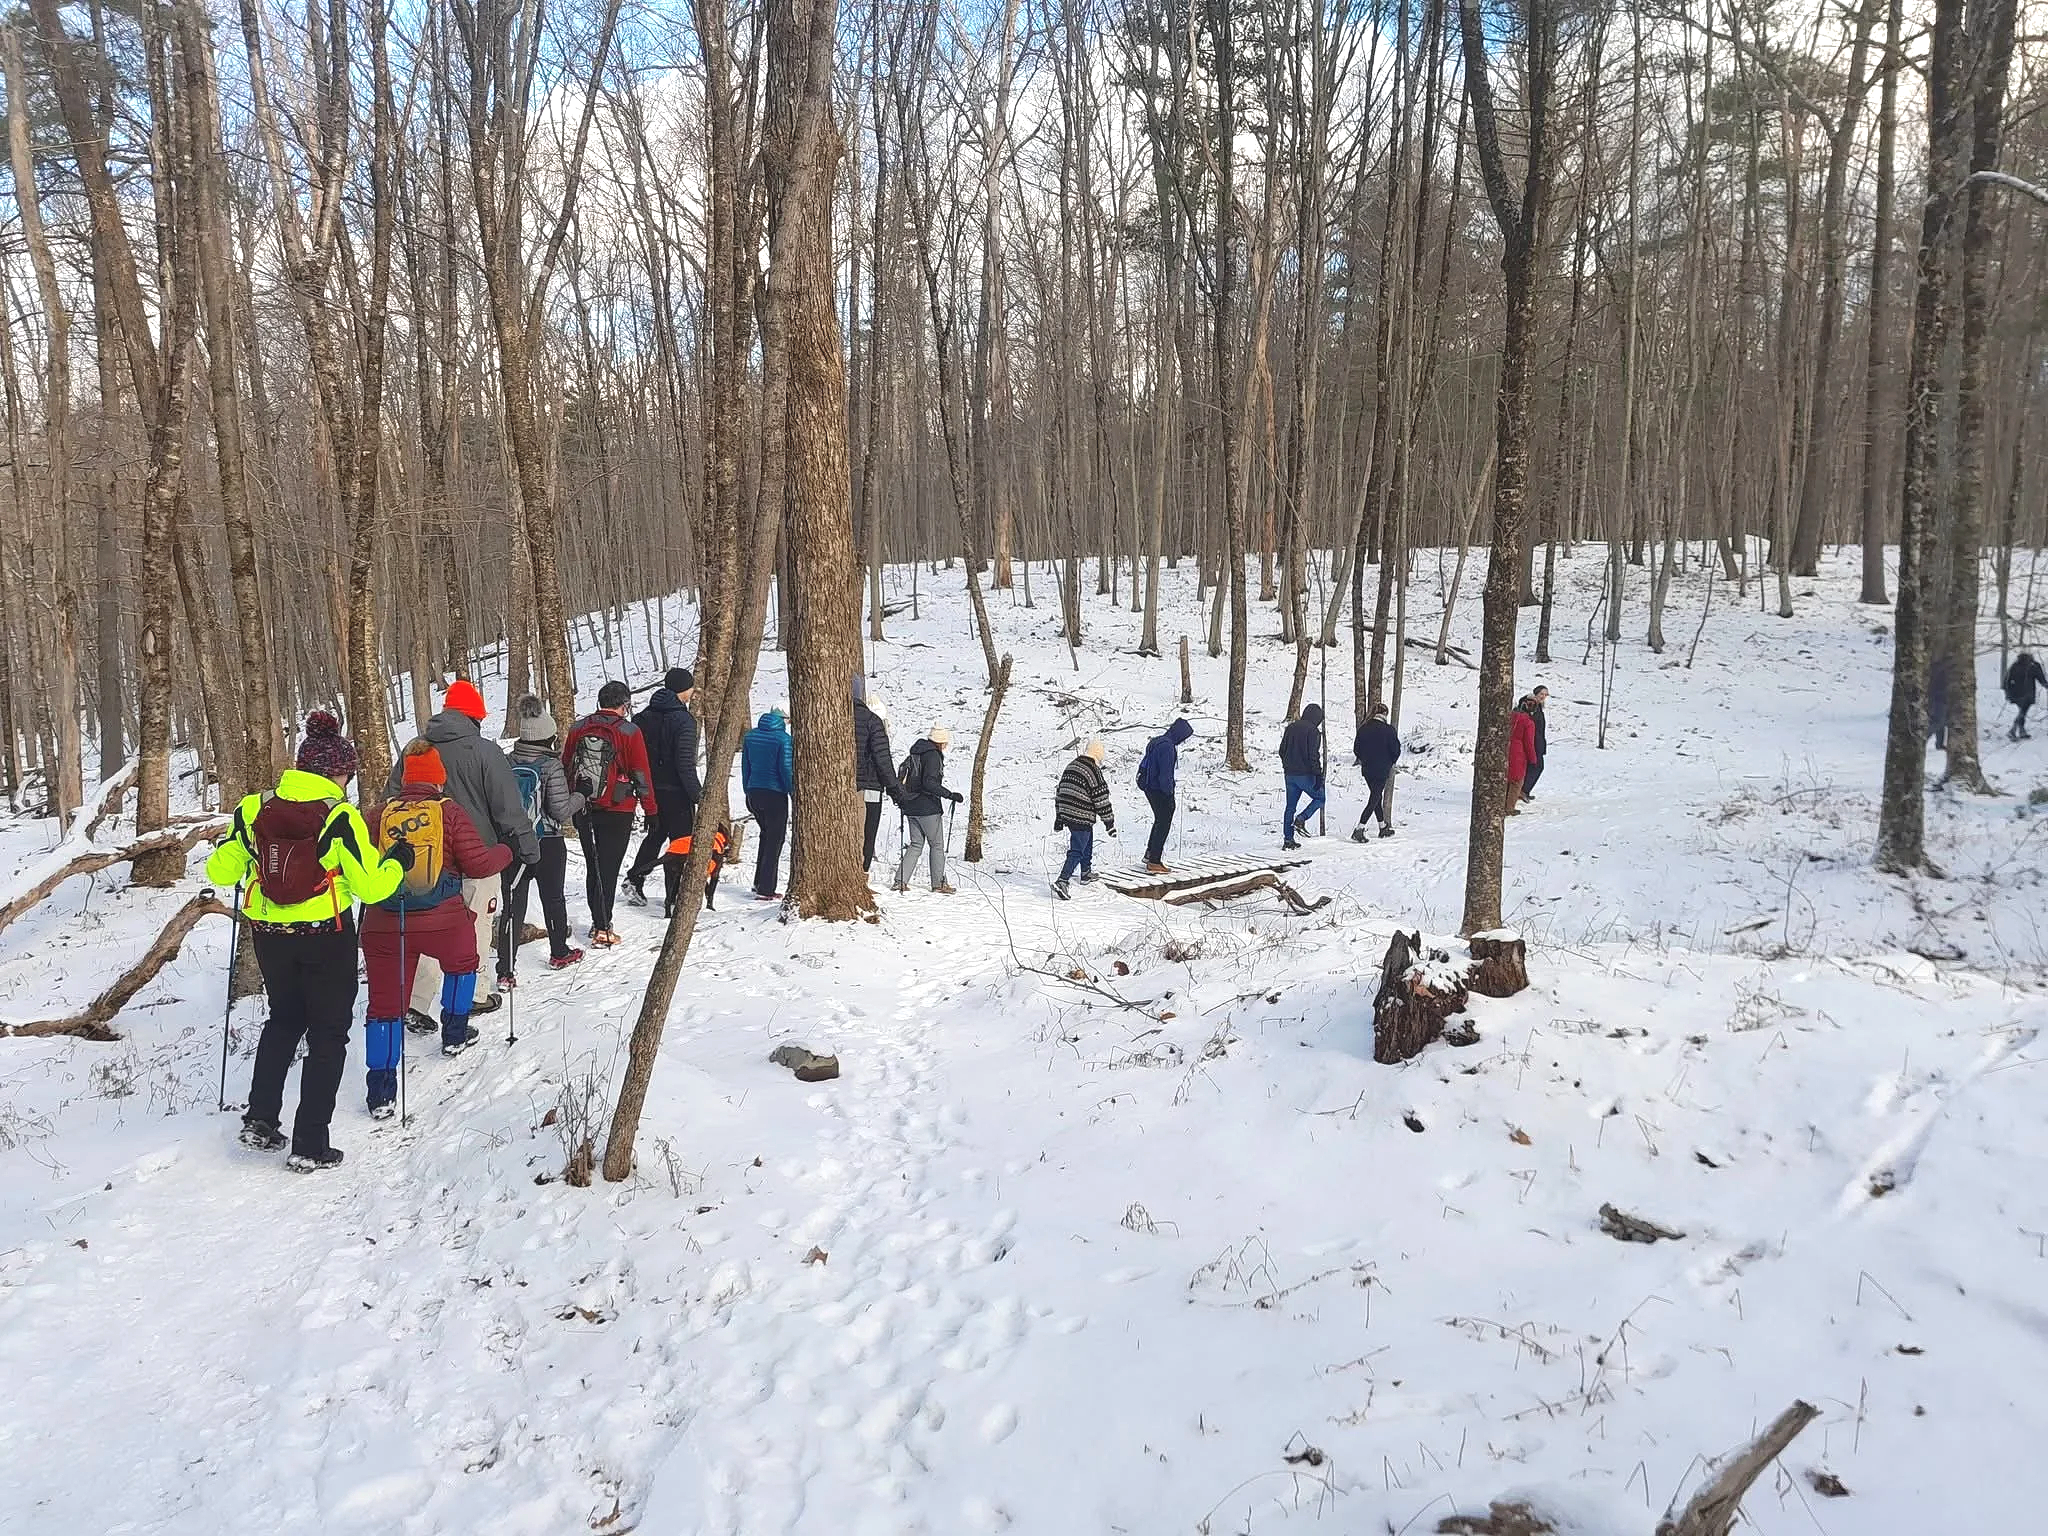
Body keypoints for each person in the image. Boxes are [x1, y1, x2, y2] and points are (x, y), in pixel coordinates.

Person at [207, 712, 406, 1172]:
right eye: (347, 773)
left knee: (283, 1020)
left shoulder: (252, 809)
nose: (348, 780)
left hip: (268, 936)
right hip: (326, 935)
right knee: (329, 1034)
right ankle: (310, 1143)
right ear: (337, 772)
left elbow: (220, 872)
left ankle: (259, 1119)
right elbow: (372, 888)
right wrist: (396, 861)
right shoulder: (340, 816)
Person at [360, 742, 515, 1117]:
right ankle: (455, 1033)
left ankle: (380, 1089)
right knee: (464, 962)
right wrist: (506, 851)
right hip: (441, 919)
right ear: (439, 781)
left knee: (383, 1005)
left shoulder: (376, 815)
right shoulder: (449, 813)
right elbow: (478, 864)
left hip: (384, 922)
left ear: (406, 780)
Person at [385, 678, 537, 1025]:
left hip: (422, 857)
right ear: (475, 717)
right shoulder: (485, 751)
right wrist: (528, 847)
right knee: (476, 926)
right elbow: (508, 808)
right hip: (477, 856)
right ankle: (474, 996)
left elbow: (392, 799)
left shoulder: (414, 749)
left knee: (423, 926)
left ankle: (416, 1003)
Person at [500, 694, 585, 984]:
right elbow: (560, 810)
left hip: (513, 843)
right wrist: (581, 795)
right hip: (547, 841)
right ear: (548, 737)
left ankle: (506, 970)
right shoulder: (551, 766)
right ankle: (559, 952)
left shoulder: (506, 762)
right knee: (553, 898)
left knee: (513, 904)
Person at [563, 680, 656, 946]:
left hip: (583, 805)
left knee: (593, 863)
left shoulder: (578, 728)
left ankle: (599, 920)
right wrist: (651, 809)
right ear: (624, 705)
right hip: (618, 808)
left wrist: (572, 799)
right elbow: (640, 772)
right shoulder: (629, 732)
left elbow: (567, 764)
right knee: (609, 865)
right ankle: (602, 926)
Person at [624, 668, 701, 906]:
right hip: (677, 793)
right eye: (690, 687)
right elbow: (684, 764)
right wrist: (698, 795)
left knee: (655, 835)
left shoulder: (643, 717)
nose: (692, 691)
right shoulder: (684, 721)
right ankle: (676, 895)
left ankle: (635, 878)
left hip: (650, 790)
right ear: (683, 690)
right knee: (682, 842)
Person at [894, 725, 963, 893]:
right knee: (937, 845)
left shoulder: (915, 753)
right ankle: (938, 884)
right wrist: (950, 795)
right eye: (945, 742)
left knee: (916, 844)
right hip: (928, 807)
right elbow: (929, 783)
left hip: (910, 806)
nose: (946, 745)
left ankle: (900, 881)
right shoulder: (933, 756)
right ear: (940, 741)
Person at [741, 706, 795, 900]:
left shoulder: (750, 737)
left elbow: (745, 765)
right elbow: (785, 768)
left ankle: (758, 882)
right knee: (775, 840)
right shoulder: (783, 740)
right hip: (775, 794)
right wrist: (793, 792)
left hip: (754, 791)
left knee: (765, 835)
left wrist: (747, 789)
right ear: (782, 720)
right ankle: (766, 888)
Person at [1051, 740, 1115, 900]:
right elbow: (1101, 799)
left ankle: (1085, 872)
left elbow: (1060, 791)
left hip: (1067, 811)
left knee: (1087, 838)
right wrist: (1109, 823)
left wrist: (1059, 817)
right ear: (1099, 755)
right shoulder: (1093, 771)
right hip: (1080, 814)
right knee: (1078, 848)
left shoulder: (1072, 765)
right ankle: (1062, 880)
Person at [853, 675, 905, 872]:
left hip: (840, 787)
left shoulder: (833, 717)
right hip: (869, 787)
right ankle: (860, 876)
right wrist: (896, 790)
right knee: (867, 834)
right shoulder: (872, 721)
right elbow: (882, 759)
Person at [1135, 718, 1193, 874]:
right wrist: (1169, 793)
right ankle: (1154, 861)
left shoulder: (1157, 741)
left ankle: (1150, 854)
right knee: (1164, 822)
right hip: (1159, 789)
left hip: (1149, 787)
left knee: (1159, 820)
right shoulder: (1168, 748)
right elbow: (1165, 774)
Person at [1352, 703, 1402, 841]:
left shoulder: (1364, 729)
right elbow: (1396, 750)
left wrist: (1364, 758)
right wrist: (1390, 761)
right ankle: (1360, 828)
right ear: (1385, 714)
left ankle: (1382, 827)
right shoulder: (1389, 730)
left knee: (1376, 797)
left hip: (1367, 768)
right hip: (1382, 768)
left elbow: (1356, 749)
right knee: (1374, 798)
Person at [1280, 704, 1326, 850]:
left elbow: (1282, 750)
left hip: (1289, 774)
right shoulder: (1313, 732)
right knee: (1320, 798)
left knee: (1290, 807)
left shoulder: (1291, 728)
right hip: (1305, 774)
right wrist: (1318, 774)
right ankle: (1301, 819)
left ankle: (1288, 839)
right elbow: (1313, 755)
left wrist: (1287, 764)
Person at [661, 825, 732, 916]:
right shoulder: (717, 849)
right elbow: (714, 877)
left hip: (672, 849)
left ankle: (668, 906)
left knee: (671, 879)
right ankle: (709, 904)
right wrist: (709, 899)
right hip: (679, 854)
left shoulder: (701, 837)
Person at [1507, 696, 1539, 816]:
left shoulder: (1509, 716)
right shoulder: (1528, 722)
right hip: (1518, 752)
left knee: (1506, 778)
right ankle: (1509, 808)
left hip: (1505, 748)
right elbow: (1529, 743)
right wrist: (1533, 758)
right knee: (1516, 781)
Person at [2005, 651, 2047, 740]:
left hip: (2016, 693)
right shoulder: (2033, 666)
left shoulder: (2015, 665)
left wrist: (2008, 693)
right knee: (2022, 712)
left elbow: (2007, 680)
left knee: (2022, 712)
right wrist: (2046, 685)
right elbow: (2041, 679)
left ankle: (2021, 731)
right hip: (2026, 694)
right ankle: (2013, 731)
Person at [1522, 686, 1549, 800]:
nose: (1543, 696)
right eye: (1542, 694)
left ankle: (1524, 791)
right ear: (1536, 694)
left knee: (1534, 767)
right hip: (1532, 742)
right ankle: (1523, 790)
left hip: (1537, 742)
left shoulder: (1538, 707)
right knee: (1537, 766)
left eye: (1546, 695)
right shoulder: (1531, 706)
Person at [1928, 658, 1950, 750]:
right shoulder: (1941, 670)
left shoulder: (1936, 668)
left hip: (1939, 697)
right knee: (1940, 721)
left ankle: (1939, 744)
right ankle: (1924, 737)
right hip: (1939, 697)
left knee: (1941, 721)